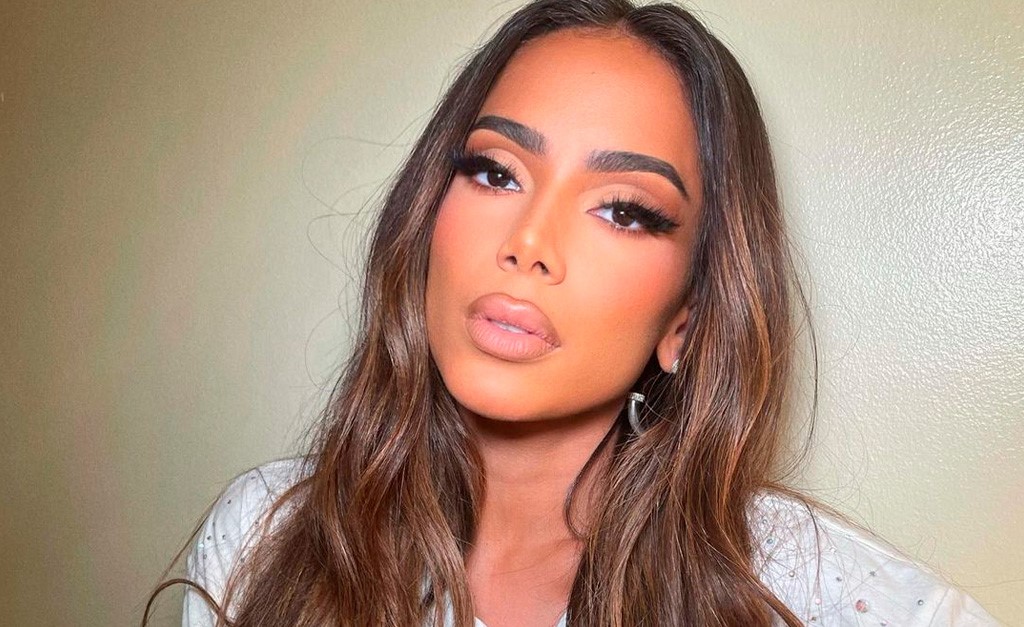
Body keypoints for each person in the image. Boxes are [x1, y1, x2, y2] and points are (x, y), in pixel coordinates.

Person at [146, 1, 999, 625]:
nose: (529, 242)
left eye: (624, 210)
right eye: (496, 172)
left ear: (688, 319)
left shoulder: (805, 592)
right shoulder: (265, 533)